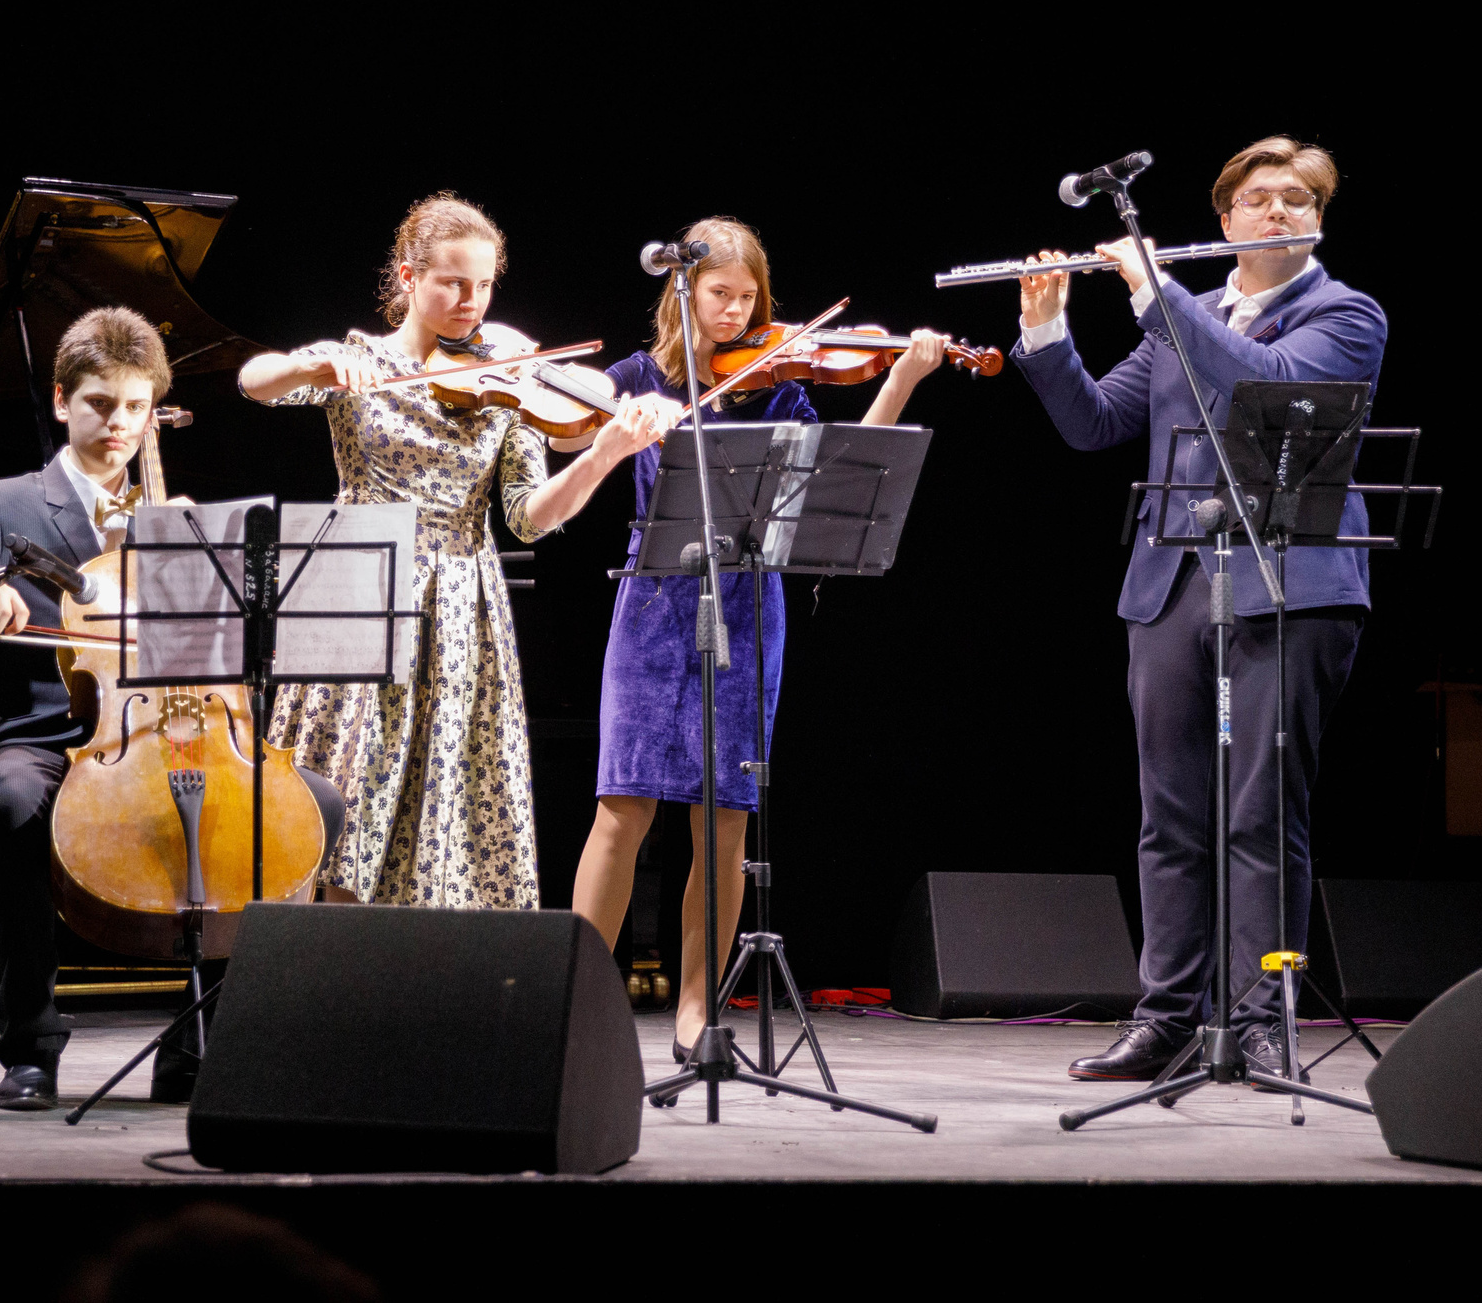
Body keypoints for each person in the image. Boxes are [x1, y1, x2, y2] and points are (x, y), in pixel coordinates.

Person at [0, 308, 346, 1112]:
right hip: (40, 729)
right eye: (99, 404)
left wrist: (202, 552)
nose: (118, 424)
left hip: (176, 730)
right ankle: (30, 1046)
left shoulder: (182, 515)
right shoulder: (7, 503)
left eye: (133, 406)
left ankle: (198, 1045)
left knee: (316, 807)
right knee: (11, 803)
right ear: (63, 402)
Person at [1010, 137, 1386, 1085]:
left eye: (1298, 199)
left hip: (1287, 586)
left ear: (1319, 217)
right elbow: (1097, 422)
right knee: (1169, 817)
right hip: (1175, 583)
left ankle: (1263, 1019)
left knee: (1261, 813)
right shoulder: (1193, 311)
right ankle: (1166, 1015)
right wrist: (1051, 336)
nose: (1278, 212)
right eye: (1258, 199)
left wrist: (1154, 295)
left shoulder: (1343, 313)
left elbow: (1261, 386)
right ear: (1224, 221)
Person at [565, 218, 947, 1054]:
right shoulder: (638, 375)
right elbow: (568, 428)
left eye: (748, 298)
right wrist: (617, 420)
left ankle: (699, 1010)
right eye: (719, 294)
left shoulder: (778, 388)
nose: (735, 312)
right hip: (654, 592)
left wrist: (908, 375)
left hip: (747, 599)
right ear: (684, 292)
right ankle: (576, 1002)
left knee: (724, 816)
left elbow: (847, 461)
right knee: (622, 805)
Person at [238, 194, 676, 911]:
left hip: (459, 599)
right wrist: (311, 370)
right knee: (344, 792)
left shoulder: (508, 380)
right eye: (452, 282)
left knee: (440, 807)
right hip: (358, 581)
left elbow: (529, 517)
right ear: (408, 277)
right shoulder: (359, 360)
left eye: (483, 285)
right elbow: (254, 380)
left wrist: (602, 455)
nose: (472, 301)